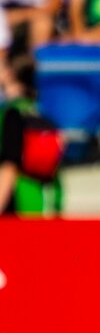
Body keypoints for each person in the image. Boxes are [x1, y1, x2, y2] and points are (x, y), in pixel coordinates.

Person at [0, 56, 63, 216]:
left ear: (9, 73)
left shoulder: (12, 114)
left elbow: (10, 166)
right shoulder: (39, 111)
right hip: (43, 198)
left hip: (17, 202)